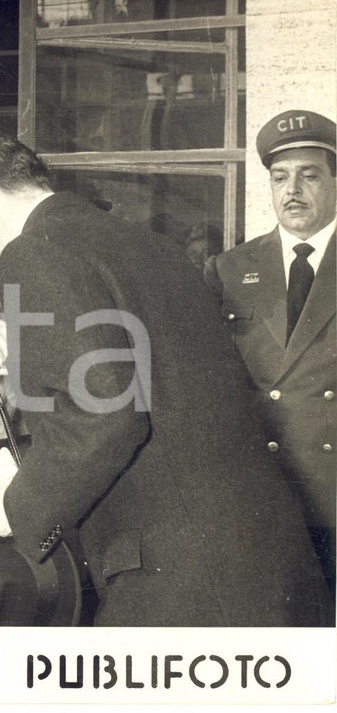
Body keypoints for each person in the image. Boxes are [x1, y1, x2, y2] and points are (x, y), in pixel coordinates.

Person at [0, 134, 331, 626]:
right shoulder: (147, 243)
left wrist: (13, 507)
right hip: (256, 556)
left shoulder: (30, 251)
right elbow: (151, 372)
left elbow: (102, 416)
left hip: (180, 576)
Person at [204, 109, 336, 597]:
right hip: (261, 493)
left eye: (309, 175)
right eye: (280, 177)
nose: (292, 190)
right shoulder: (229, 269)